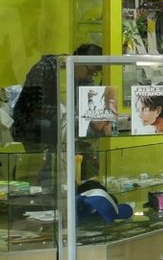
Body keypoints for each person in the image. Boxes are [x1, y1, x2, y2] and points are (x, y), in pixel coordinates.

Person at [11, 43, 102, 183]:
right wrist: (68, 114)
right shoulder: (44, 68)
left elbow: (88, 102)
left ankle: (85, 186)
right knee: (47, 165)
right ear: (79, 60)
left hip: (62, 125)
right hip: (34, 126)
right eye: (90, 71)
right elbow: (34, 106)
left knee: (88, 148)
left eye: (94, 73)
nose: (90, 76)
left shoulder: (84, 76)